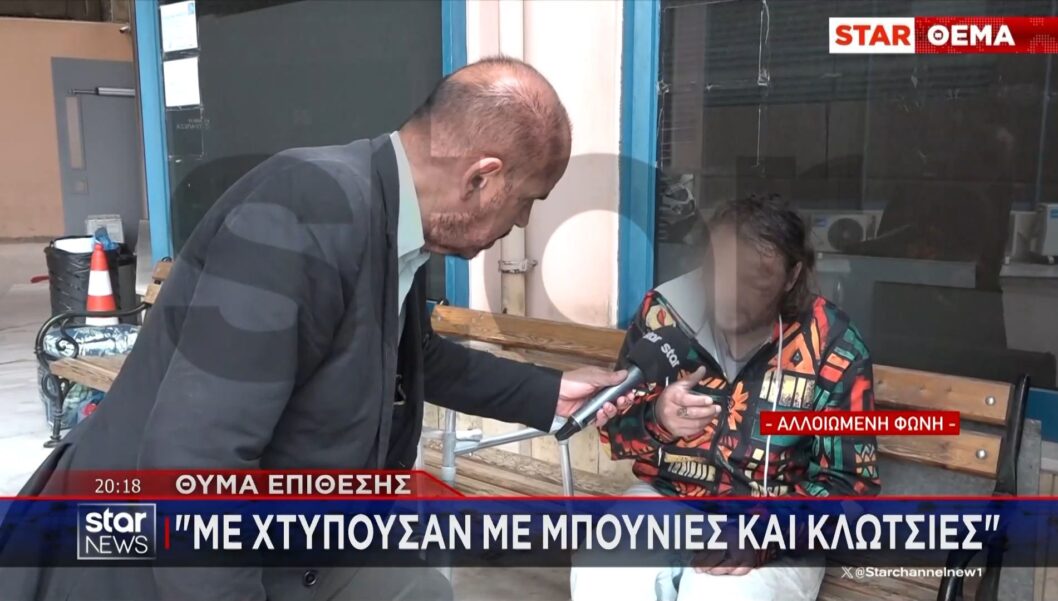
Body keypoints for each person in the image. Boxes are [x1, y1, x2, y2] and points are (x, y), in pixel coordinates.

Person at [1, 57, 630, 601]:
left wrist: (550, 393)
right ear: (481, 178)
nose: (520, 224)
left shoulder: (388, 220)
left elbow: (416, 359)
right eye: (526, 201)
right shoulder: (304, 212)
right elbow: (194, 461)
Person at [573, 194, 881, 601]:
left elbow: (852, 483)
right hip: (668, 497)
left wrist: (765, 534)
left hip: (777, 522)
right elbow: (614, 429)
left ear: (792, 277)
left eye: (756, 279)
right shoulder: (666, 313)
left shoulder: (832, 342)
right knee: (604, 577)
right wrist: (657, 417)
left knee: (719, 594)